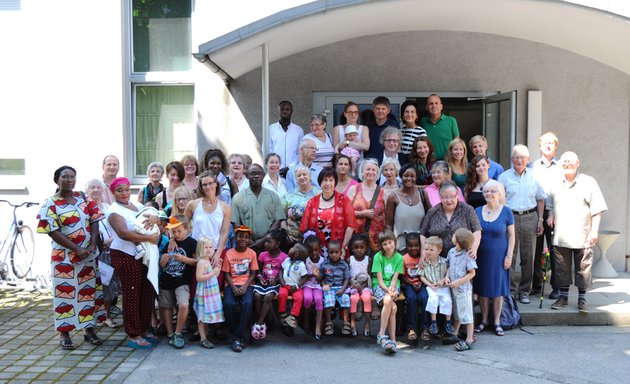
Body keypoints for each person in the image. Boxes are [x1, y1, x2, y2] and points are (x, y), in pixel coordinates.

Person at [37, 166, 106, 350]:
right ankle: (64, 333)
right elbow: (52, 231)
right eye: (64, 177)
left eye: (72, 177)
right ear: (56, 180)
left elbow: (95, 220)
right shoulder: (49, 204)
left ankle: (88, 330)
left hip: (88, 256)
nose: (69, 180)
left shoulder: (84, 198)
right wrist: (76, 248)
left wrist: (91, 245)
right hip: (64, 259)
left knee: (88, 293)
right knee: (64, 296)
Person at [546, 151, 607, 312]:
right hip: (561, 235)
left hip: (583, 234)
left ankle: (582, 299)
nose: (567, 164)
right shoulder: (555, 182)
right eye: (564, 161)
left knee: (583, 268)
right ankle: (563, 298)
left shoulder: (588, 182)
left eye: (570, 161)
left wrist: (594, 231)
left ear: (578, 163)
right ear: (560, 164)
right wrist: (550, 215)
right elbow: (550, 205)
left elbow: (597, 209)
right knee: (561, 268)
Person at [107, 177, 160, 349]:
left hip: (143, 255)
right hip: (124, 255)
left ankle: (144, 329)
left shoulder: (137, 206)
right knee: (131, 293)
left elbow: (156, 215)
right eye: (119, 190)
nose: (124, 193)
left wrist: (154, 218)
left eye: (126, 189)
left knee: (145, 291)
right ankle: (133, 333)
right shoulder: (113, 211)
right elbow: (123, 233)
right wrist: (149, 238)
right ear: (113, 192)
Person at [498, 144, 546, 304]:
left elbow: (540, 199)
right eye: (516, 157)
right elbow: (498, 201)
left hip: (530, 217)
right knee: (509, 256)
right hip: (509, 218)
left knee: (528, 256)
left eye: (523, 157)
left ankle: (525, 291)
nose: (519, 160)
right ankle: (510, 291)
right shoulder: (504, 177)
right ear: (512, 159)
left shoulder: (535, 176)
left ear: (528, 159)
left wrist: (540, 219)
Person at [474, 180, 515, 336]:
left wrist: (509, 256)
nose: (489, 194)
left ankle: (497, 321)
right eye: (486, 191)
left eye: (493, 191)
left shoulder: (506, 212)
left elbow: (511, 236)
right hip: (482, 257)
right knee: (483, 289)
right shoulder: (477, 211)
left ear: (499, 194)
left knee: (497, 290)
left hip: (499, 257)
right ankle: (484, 320)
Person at [529, 132, 563, 300]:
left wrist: (554, 213)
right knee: (535, 250)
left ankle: (556, 287)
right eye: (545, 143)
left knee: (554, 250)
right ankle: (536, 285)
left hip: (554, 211)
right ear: (540, 146)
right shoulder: (531, 166)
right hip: (534, 211)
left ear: (555, 147)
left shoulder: (562, 167)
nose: (548, 145)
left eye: (552, 143)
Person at [85, 178, 121, 329]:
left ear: (103, 190)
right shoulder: (83, 208)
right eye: (92, 187)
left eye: (98, 187)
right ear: (87, 190)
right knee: (90, 286)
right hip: (92, 251)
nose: (95, 190)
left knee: (108, 285)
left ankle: (106, 315)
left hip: (109, 250)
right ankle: (89, 318)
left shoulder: (107, 207)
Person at [158, 215, 197, 349]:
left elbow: (196, 262)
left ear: (187, 229)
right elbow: (161, 264)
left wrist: (183, 259)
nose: (176, 234)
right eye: (173, 231)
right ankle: (170, 333)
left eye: (179, 231)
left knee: (184, 304)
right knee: (166, 306)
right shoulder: (169, 242)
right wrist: (164, 260)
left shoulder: (192, 243)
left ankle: (178, 332)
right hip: (167, 279)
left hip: (182, 281)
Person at [300, 167, 357, 256]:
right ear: (320, 182)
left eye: (331, 180)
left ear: (335, 182)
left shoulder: (344, 200)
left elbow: (351, 225)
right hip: (316, 251)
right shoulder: (312, 202)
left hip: (338, 250)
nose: (328, 183)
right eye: (325, 180)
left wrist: (343, 247)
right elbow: (305, 227)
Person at [231, 164, 286, 252]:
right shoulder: (238, 198)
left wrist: (263, 240)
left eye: (259, 173)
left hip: (268, 245)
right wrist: (248, 240)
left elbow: (278, 220)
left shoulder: (273, 196)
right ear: (247, 175)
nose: (256, 176)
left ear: (263, 175)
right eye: (252, 173)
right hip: (246, 245)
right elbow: (236, 223)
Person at [420, 181, 481, 258]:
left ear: (457, 195)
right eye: (445, 197)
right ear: (440, 197)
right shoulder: (432, 211)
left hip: (461, 258)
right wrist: (423, 253)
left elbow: (477, 230)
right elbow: (423, 233)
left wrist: (474, 248)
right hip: (436, 260)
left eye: (452, 196)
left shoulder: (468, 210)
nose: (449, 200)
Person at [221, 226, 259, 352]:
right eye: (240, 236)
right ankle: (237, 332)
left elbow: (253, 273)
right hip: (232, 284)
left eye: (246, 237)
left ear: (249, 240)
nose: (243, 239)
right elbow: (226, 273)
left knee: (247, 303)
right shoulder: (229, 253)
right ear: (235, 238)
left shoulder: (252, 253)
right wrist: (233, 287)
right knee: (228, 304)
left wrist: (245, 286)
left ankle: (237, 337)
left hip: (246, 284)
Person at [184, 171, 231, 259]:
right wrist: (172, 238)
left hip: (216, 250)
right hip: (197, 250)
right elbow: (181, 225)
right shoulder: (192, 204)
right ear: (201, 187)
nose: (208, 187)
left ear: (216, 184)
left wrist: (218, 254)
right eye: (204, 184)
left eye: (210, 183)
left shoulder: (226, 207)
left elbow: (224, 233)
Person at [251, 230, 288, 340]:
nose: (265, 244)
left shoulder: (284, 257)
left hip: (274, 284)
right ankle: (262, 321)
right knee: (256, 295)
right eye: (265, 241)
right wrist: (260, 278)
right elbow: (258, 270)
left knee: (268, 297)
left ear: (277, 244)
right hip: (263, 283)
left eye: (269, 242)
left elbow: (283, 273)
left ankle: (259, 323)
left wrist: (276, 280)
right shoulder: (263, 255)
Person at [372, 230, 404, 354]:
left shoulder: (399, 258)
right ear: (381, 246)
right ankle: (383, 335)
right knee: (389, 302)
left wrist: (391, 289)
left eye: (390, 242)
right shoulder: (378, 257)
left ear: (395, 242)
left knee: (393, 307)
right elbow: (379, 280)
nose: (388, 246)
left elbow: (395, 278)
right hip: (380, 286)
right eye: (384, 244)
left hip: (392, 286)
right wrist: (387, 290)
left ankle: (391, 340)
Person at [446, 228, 478, 351]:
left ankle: (469, 338)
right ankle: (455, 333)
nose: (453, 235)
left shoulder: (468, 256)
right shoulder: (451, 252)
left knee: (466, 314)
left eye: (455, 235)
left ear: (458, 241)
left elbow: (472, 273)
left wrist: (458, 282)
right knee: (457, 312)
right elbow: (449, 266)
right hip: (453, 288)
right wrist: (447, 277)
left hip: (463, 289)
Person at [347, 158, 386, 252]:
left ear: (377, 174)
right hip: (356, 240)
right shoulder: (354, 189)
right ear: (362, 172)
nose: (370, 172)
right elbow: (345, 212)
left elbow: (387, 218)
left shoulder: (383, 192)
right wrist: (362, 214)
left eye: (373, 170)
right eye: (368, 169)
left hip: (377, 241)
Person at [385, 164, 426, 251]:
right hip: (400, 246)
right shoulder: (393, 197)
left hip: (420, 245)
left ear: (416, 178)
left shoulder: (422, 194)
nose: (409, 178)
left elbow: (429, 216)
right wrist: (391, 244)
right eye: (406, 175)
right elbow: (388, 224)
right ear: (401, 176)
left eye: (412, 176)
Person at [193, 236, 224, 349]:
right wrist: (213, 272)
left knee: (206, 315)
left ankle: (205, 334)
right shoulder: (201, 262)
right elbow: (199, 277)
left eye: (211, 247)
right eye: (206, 247)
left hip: (211, 291)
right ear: (201, 248)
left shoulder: (208, 261)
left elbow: (213, 276)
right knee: (202, 316)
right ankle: (203, 338)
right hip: (204, 293)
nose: (209, 249)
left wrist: (217, 268)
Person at [419, 236, 453, 337]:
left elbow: (449, 269)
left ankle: (448, 322)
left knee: (447, 300)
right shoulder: (424, 262)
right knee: (432, 300)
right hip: (431, 287)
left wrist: (443, 280)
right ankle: (433, 322)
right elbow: (421, 276)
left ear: (439, 251)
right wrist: (429, 284)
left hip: (443, 286)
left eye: (431, 249)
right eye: (426, 249)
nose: (428, 252)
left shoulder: (444, 261)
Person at [401, 232, 430, 342]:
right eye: (410, 245)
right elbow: (402, 276)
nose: (413, 248)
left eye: (416, 245)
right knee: (412, 299)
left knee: (424, 298)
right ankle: (411, 328)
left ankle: (425, 328)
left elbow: (428, 273)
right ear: (406, 246)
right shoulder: (404, 258)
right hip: (409, 284)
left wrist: (421, 283)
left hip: (423, 283)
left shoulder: (424, 258)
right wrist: (412, 284)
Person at [319, 240, 351, 336]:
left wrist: (343, 289)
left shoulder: (344, 265)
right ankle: (328, 323)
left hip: (341, 287)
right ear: (327, 252)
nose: (333, 255)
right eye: (331, 252)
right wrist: (324, 285)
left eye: (336, 252)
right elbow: (321, 278)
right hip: (329, 287)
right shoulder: (324, 264)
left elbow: (346, 279)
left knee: (346, 299)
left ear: (340, 253)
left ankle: (346, 322)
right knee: (328, 300)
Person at [281, 165, 320, 245]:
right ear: (296, 179)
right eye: (299, 175)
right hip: (292, 240)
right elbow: (281, 217)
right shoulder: (288, 195)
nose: (302, 177)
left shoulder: (319, 193)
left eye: (304, 174)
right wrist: (285, 234)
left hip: (314, 239)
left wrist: (295, 212)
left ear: (310, 176)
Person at [278, 243, 308, 335]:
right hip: (285, 285)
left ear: (296, 254)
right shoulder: (286, 260)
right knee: (282, 295)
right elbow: (281, 270)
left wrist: (298, 286)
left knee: (299, 298)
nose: (290, 248)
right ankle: (283, 314)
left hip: (295, 286)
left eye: (292, 248)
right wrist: (281, 279)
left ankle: (292, 316)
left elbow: (305, 277)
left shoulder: (301, 265)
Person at [421, 94, 459, 160]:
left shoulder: (451, 120)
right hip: (429, 162)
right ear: (427, 107)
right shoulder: (423, 122)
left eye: (436, 103)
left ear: (441, 106)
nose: (434, 106)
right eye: (431, 103)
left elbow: (457, 142)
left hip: (448, 161)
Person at [348, 233, 372, 337]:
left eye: (362, 247)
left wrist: (363, 286)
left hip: (365, 286)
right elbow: (347, 276)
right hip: (353, 286)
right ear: (352, 249)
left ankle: (367, 322)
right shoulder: (350, 260)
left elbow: (370, 276)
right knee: (353, 299)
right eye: (356, 247)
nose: (359, 250)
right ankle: (352, 322)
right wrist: (352, 284)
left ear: (366, 248)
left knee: (367, 298)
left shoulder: (368, 260)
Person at [269, 100, 305, 168]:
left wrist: (290, 167)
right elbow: (268, 150)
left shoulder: (299, 130)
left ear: (292, 112)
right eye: (282, 109)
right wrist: (278, 166)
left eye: (288, 109)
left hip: (293, 169)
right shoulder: (270, 129)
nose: (285, 111)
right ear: (278, 111)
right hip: (275, 168)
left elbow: (300, 152)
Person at [302, 235, 325, 340]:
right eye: (311, 251)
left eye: (316, 250)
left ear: (320, 248)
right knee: (307, 298)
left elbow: (322, 278)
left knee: (319, 299)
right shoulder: (306, 260)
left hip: (317, 285)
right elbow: (304, 276)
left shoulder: (322, 261)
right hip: (307, 284)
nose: (314, 253)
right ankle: (306, 319)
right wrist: (311, 275)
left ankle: (317, 325)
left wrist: (317, 275)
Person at [399, 100, 427, 166]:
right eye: (406, 112)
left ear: (416, 115)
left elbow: (424, 151)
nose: (409, 114)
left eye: (412, 112)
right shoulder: (400, 131)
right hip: (401, 164)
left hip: (415, 165)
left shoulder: (421, 131)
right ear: (403, 115)